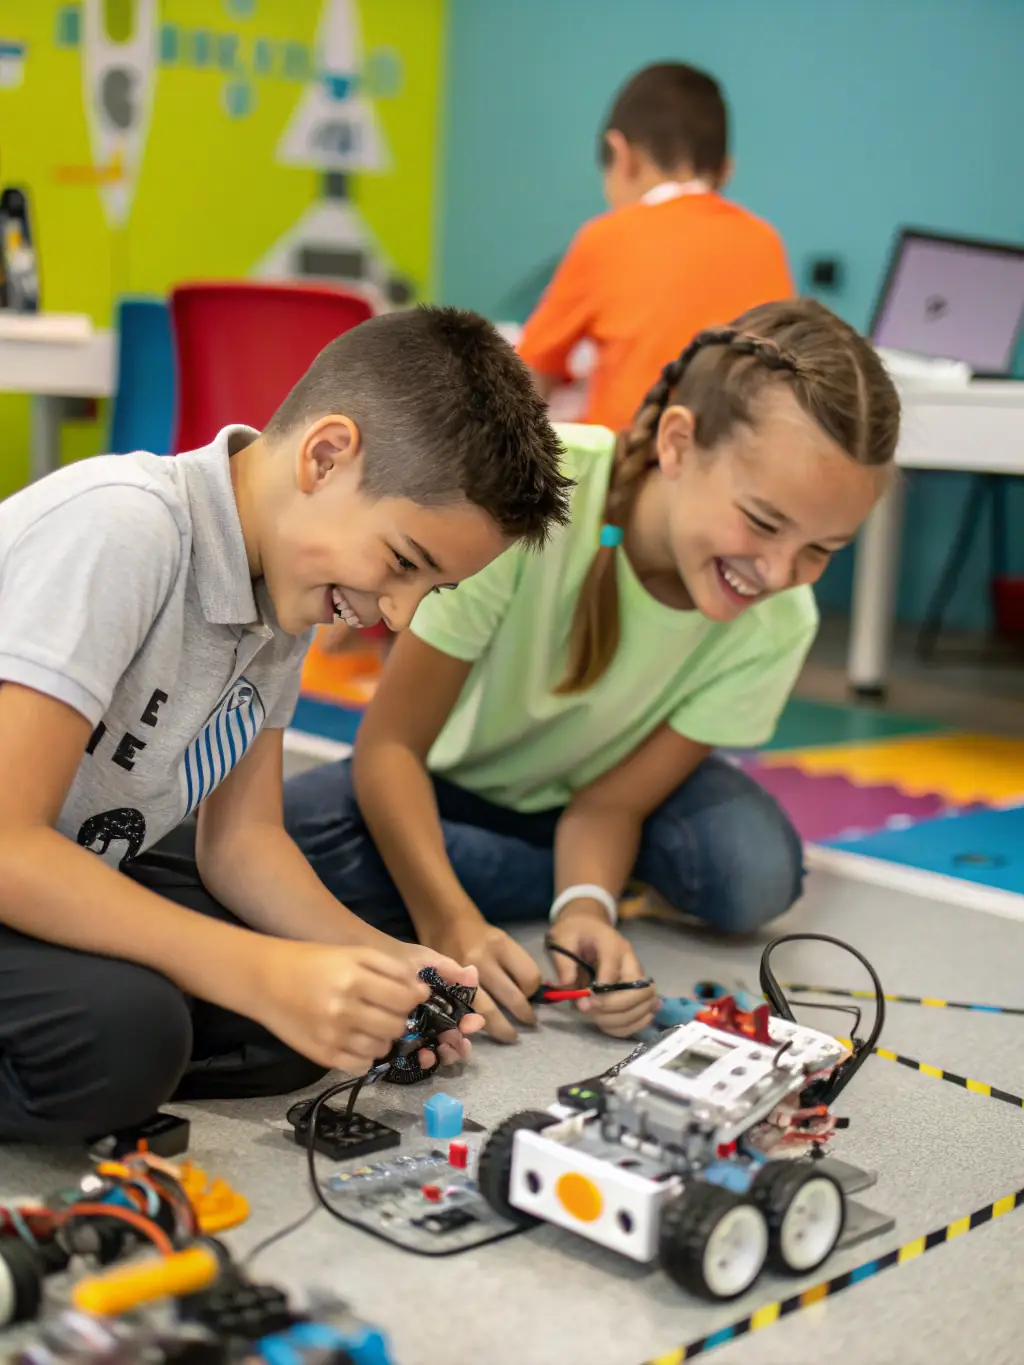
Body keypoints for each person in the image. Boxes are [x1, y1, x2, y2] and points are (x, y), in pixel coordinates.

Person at [0, 305, 573, 1145]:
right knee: (131, 1034)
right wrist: (262, 972)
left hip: (60, 866)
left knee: (325, 1013)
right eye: (404, 563)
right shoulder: (125, 524)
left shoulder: (284, 596)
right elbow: (9, 844)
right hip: (18, 856)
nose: (401, 615)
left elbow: (242, 844)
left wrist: (384, 962)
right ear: (326, 455)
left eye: (433, 589)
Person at [284, 298, 901, 1045]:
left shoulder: (782, 619)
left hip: (601, 798)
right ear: (679, 443)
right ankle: (554, 875)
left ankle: (555, 878)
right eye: (764, 522)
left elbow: (610, 805)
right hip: (448, 783)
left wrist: (584, 909)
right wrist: (450, 919)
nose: (778, 570)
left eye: (822, 549)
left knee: (754, 872)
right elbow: (389, 750)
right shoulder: (531, 495)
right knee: (292, 835)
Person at [516, 61, 794, 434]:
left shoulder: (607, 237)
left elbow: (531, 379)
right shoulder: (766, 241)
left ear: (622, 154)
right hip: (734, 466)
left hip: (631, 471)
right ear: (727, 170)